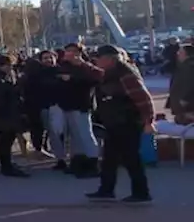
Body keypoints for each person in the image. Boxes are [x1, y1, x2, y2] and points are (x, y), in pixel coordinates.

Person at [84, 45, 155, 203]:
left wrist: (148, 121)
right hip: (115, 122)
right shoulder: (111, 73)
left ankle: (141, 193)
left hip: (127, 122)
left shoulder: (125, 74)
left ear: (109, 59)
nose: (96, 60)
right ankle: (106, 190)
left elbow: (143, 98)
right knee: (109, 159)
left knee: (131, 159)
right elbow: (96, 74)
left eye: (99, 57)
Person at [59, 43, 101, 178]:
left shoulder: (86, 67)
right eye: (67, 51)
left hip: (82, 105)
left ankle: (93, 163)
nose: (68, 54)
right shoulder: (64, 66)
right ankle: (78, 161)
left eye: (71, 51)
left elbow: (97, 77)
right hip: (68, 105)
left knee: (85, 134)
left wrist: (74, 76)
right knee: (75, 137)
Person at [166, 44, 194, 124]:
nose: (177, 54)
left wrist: (187, 99)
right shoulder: (182, 66)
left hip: (188, 106)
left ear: (186, 54)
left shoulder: (190, 67)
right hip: (183, 106)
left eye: (180, 52)